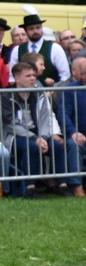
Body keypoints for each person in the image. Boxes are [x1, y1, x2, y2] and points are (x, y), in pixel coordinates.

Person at [4, 59, 63, 196]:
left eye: (34, 75)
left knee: (55, 145)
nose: (32, 79)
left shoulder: (39, 93)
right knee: (30, 146)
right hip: (14, 135)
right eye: (28, 76)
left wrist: (43, 137)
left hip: (38, 134)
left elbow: (45, 118)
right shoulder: (6, 95)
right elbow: (11, 124)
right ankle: (30, 187)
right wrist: (35, 138)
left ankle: (62, 184)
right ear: (17, 78)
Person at [55, 55, 86, 195]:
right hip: (78, 133)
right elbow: (63, 114)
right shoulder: (69, 90)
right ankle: (76, 185)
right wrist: (72, 132)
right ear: (82, 74)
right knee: (73, 145)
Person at [8, 13, 71, 85]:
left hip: (53, 90)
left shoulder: (55, 48)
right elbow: (12, 77)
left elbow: (65, 75)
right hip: (25, 91)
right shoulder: (17, 50)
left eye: (38, 28)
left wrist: (55, 89)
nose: (35, 31)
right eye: (31, 29)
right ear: (25, 30)